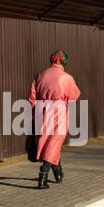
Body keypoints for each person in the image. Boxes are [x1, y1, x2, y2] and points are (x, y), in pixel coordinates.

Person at [28, 51, 81, 189]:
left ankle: (58, 174)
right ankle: (43, 176)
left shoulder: (39, 75)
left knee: (47, 141)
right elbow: (74, 95)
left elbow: (32, 99)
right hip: (58, 110)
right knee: (54, 142)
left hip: (41, 110)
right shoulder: (66, 78)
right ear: (64, 62)